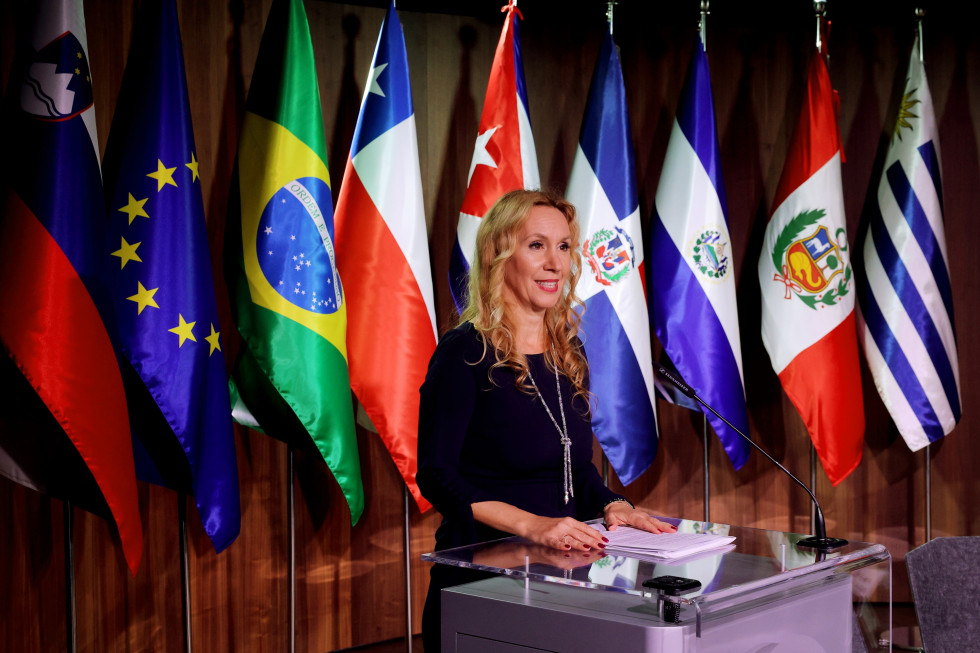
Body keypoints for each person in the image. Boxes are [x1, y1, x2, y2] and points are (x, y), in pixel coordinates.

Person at [417, 189, 675, 652]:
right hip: (481, 577)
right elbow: (436, 476)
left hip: (564, 576)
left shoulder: (568, 354)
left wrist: (615, 504)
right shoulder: (464, 353)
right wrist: (533, 524)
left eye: (563, 246)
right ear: (500, 254)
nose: (555, 262)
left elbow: (576, 472)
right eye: (537, 245)